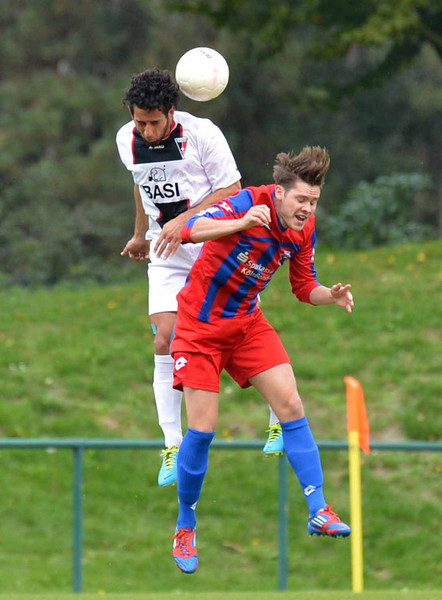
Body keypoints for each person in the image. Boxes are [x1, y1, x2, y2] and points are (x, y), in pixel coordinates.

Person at [170, 145, 353, 574]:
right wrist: (241, 222)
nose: (307, 209)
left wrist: (330, 296)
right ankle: (185, 524)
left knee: (290, 402)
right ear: (280, 191)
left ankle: (319, 509)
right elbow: (190, 229)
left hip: (246, 325)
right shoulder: (249, 202)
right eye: (301, 199)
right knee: (202, 430)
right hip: (199, 328)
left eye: (314, 202)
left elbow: (303, 285)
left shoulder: (303, 230)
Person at [116, 68, 281, 487]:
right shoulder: (125, 139)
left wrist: (184, 220)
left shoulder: (203, 134)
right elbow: (140, 184)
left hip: (216, 244)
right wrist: (139, 234)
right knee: (165, 337)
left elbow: (233, 191)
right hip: (167, 250)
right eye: (140, 122)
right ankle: (172, 444)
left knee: (241, 331)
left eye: (154, 122)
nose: (147, 130)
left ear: (171, 111)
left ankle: (279, 415)